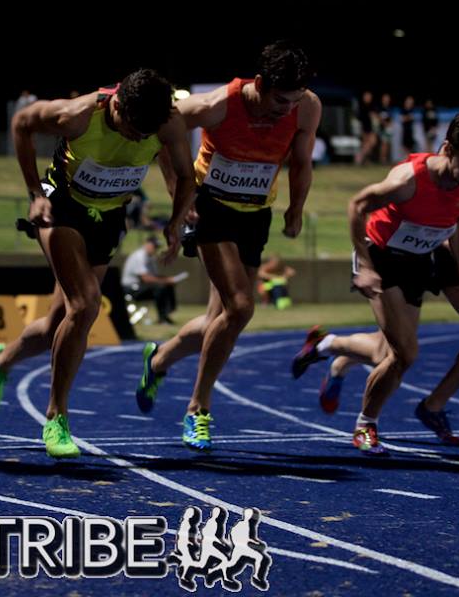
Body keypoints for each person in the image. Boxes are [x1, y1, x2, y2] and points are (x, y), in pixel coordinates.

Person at [0, 69, 196, 458]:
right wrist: (33, 194)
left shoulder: (166, 123)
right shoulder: (77, 115)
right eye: (133, 130)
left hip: (108, 217)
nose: (139, 139)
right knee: (86, 304)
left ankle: (3, 359)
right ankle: (56, 417)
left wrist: (176, 222)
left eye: (147, 134)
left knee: (57, 324)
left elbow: (184, 175)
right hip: (61, 207)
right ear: (117, 106)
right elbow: (21, 124)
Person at [294, 96, 459, 445]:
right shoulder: (410, 179)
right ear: (451, 150)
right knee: (403, 353)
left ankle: (330, 345)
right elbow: (357, 205)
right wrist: (364, 265)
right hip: (382, 256)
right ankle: (365, 424)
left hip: (420, 258)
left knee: (390, 354)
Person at [133, 42, 321, 451]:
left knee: (220, 319)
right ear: (259, 84)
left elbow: (302, 161)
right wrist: (179, 197)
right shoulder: (218, 105)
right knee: (240, 307)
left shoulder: (306, 107)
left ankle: (159, 360)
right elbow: (166, 130)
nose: (286, 110)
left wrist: (296, 208)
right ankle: (197, 409)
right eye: (279, 101)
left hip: (256, 213)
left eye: (294, 101)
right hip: (210, 208)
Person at [122, 234, 180, 324]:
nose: (155, 249)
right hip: (131, 289)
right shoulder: (139, 256)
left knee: (167, 286)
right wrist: (166, 280)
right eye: (154, 246)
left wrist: (168, 279)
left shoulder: (151, 258)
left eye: (157, 247)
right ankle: (162, 318)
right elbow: (146, 278)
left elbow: (154, 276)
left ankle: (168, 312)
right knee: (160, 288)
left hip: (141, 287)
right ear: (147, 244)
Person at [355, 91, 378, 166]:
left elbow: (375, 116)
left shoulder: (372, 106)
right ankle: (362, 158)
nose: (368, 98)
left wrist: (374, 116)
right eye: (366, 96)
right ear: (364, 97)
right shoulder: (361, 106)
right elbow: (359, 117)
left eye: (369, 96)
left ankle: (362, 158)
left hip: (371, 127)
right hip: (364, 127)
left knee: (371, 143)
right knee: (366, 144)